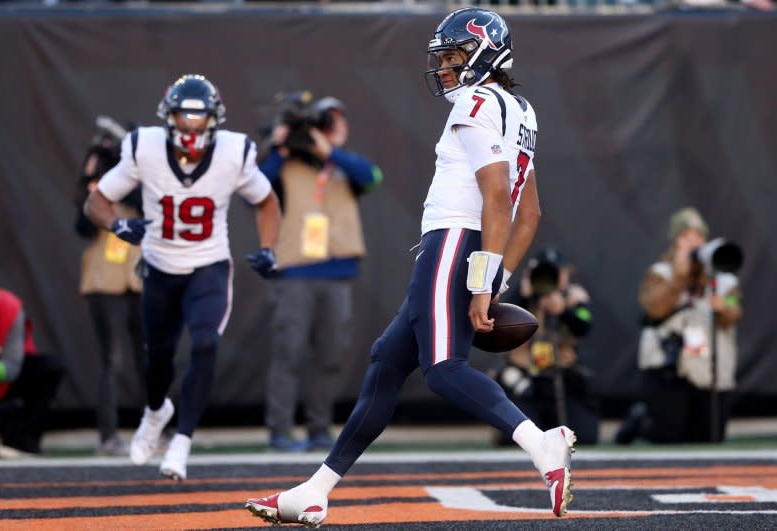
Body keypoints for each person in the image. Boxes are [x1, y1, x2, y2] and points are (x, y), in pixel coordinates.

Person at [244, 8, 574, 525]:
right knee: (387, 362)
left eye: (454, 55)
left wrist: (482, 283)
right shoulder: (521, 109)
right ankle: (315, 489)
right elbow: (528, 214)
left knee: (444, 369)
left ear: (485, 53)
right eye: (442, 57)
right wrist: (498, 275)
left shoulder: (477, 99)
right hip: (468, 249)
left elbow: (494, 197)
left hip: (454, 244)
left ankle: (541, 443)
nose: (444, 67)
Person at [84, 74, 282, 480]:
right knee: (157, 360)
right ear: (168, 119)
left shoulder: (233, 151)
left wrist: (268, 247)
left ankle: (181, 442)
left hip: (208, 265)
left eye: (199, 121)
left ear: (213, 121)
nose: (191, 130)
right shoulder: (145, 147)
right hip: (159, 266)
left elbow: (267, 202)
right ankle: (156, 412)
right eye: (184, 120)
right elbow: (97, 201)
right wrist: (118, 227)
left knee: (207, 342)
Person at [259, 95, 383, 451]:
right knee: (289, 352)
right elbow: (256, 189)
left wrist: (329, 150)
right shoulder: (284, 165)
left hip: (337, 273)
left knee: (330, 354)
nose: (335, 128)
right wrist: (279, 147)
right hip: (295, 272)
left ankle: (319, 427)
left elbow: (372, 177)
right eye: (327, 122)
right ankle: (280, 430)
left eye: (337, 121)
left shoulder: (345, 166)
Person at [615, 207, 742, 444]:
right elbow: (654, 307)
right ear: (675, 242)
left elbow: (735, 310)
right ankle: (643, 422)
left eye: (699, 237)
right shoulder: (660, 273)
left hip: (711, 372)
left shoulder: (725, 280)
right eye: (686, 237)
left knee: (711, 438)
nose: (694, 243)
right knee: (671, 437)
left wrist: (724, 307)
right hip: (670, 370)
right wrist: (679, 277)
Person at [74, 116, 145, 456]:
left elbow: (144, 203)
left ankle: (154, 431)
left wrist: (126, 169)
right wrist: (92, 177)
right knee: (112, 360)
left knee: (148, 358)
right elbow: (83, 228)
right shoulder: (97, 187)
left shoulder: (139, 179)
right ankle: (108, 436)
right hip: (105, 282)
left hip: (138, 281)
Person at [492, 247, 598, 445]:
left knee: (584, 436)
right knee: (513, 439)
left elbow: (585, 324)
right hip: (525, 383)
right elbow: (498, 326)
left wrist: (564, 311)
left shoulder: (574, 296)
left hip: (562, 382)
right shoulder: (518, 298)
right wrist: (524, 296)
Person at [0, 287, 65, 458]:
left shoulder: (8, 306)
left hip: (2, 384)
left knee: (50, 367)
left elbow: (12, 365)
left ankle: (21, 440)